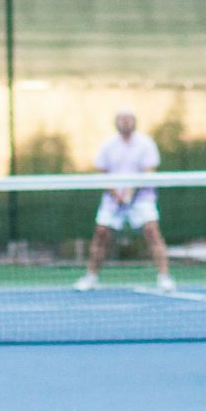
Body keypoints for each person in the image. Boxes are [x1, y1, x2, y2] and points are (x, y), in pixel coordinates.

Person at [73, 110, 174, 293]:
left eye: (129, 120)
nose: (126, 123)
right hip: (113, 199)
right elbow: (103, 172)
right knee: (101, 233)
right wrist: (116, 194)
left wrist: (131, 190)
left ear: (134, 122)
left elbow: (149, 170)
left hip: (142, 197)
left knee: (152, 231)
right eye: (122, 120)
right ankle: (91, 277)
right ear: (116, 123)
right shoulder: (108, 145)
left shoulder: (146, 143)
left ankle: (164, 277)